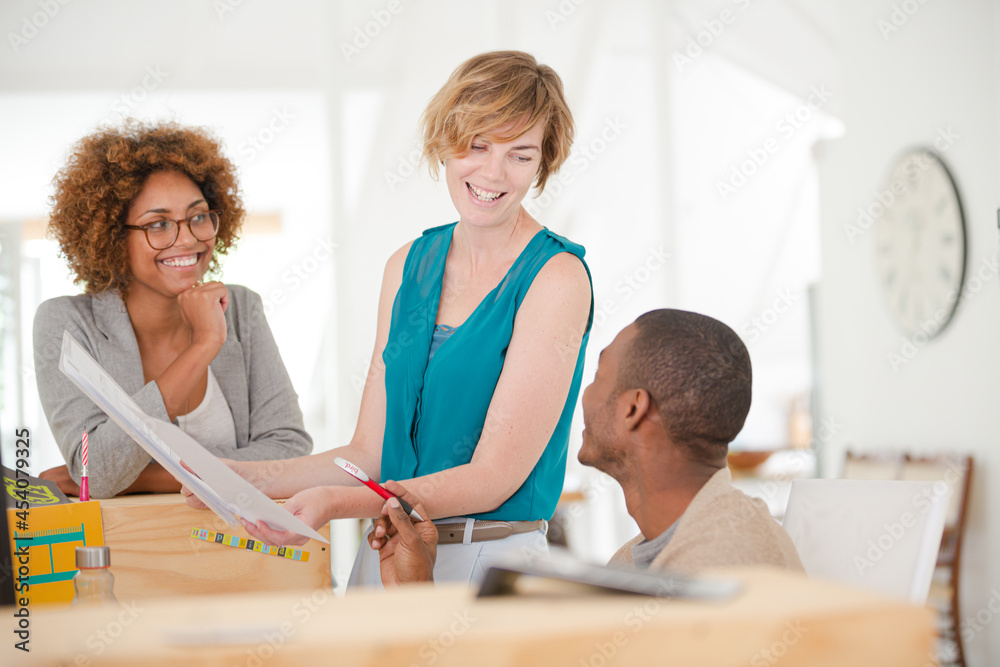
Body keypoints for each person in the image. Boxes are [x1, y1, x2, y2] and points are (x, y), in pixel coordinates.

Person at [184, 51, 594, 587]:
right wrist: (244, 477)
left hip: (492, 562)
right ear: (446, 143)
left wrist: (339, 503)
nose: (493, 173)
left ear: (543, 163)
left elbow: (493, 478)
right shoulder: (407, 266)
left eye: (520, 155)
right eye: (478, 145)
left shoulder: (556, 278)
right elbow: (369, 452)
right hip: (389, 555)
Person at [371, 309, 804, 585]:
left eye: (597, 376)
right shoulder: (648, 554)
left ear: (634, 408)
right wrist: (417, 591)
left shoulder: (721, 569)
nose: (584, 395)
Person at [34, 122, 312, 499]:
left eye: (198, 216)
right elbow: (96, 471)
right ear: (114, 236)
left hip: (243, 551)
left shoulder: (241, 308)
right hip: (134, 553)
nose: (187, 239)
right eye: (159, 224)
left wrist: (141, 478)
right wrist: (203, 346)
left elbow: (289, 452)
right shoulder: (66, 323)